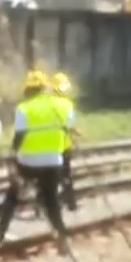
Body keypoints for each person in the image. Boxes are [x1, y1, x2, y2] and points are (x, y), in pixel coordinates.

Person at [0, 71, 73, 254]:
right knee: (52, 202)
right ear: (45, 88)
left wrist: (11, 155)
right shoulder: (61, 106)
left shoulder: (24, 108)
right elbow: (67, 129)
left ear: (28, 89)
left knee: (12, 196)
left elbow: (19, 136)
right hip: (53, 162)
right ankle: (62, 240)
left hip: (28, 162)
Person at [50, 72, 82, 211]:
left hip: (49, 145)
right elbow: (70, 125)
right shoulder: (68, 104)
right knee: (66, 175)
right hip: (64, 145)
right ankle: (71, 203)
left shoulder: (47, 103)